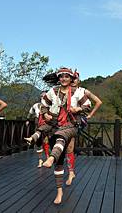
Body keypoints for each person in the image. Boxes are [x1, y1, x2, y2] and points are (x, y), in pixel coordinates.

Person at [41, 68, 91, 204]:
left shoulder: (77, 92)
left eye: (66, 77)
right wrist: (45, 114)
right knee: (59, 162)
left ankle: (51, 157)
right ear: (59, 79)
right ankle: (59, 191)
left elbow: (88, 106)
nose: (64, 79)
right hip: (55, 125)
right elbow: (44, 104)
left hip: (72, 124)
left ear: (71, 79)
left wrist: (78, 109)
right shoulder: (53, 92)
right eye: (61, 77)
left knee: (61, 137)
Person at [64, 71, 102, 186]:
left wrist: (89, 115)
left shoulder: (83, 91)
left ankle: (70, 172)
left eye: (76, 78)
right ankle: (69, 170)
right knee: (66, 146)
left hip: (77, 120)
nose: (74, 80)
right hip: (65, 119)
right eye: (72, 78)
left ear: (78, 80)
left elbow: (98, 102)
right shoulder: (64, 90)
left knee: (69, 145)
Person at [26, 91, 51, 168]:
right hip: (38, 124)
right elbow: (30, 112)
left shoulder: (50, 106)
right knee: (38, 143)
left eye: (44, 96)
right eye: (41, 96)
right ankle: (40, 160)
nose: (42, 98)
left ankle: (47, 158)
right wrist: (27, 119)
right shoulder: (36, 105)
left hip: (46, 124)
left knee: (46, 141)